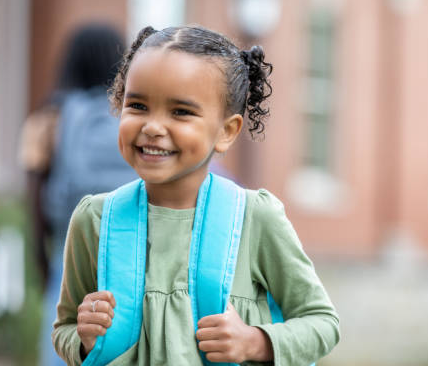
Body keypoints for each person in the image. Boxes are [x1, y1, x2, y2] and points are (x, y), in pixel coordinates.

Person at [52, 25, 340, 365]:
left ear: (226, 131)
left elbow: (323, 323)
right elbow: (64, 329)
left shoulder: (254, 217)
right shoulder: (96, 219)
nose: (153, 127)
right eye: (138, 105)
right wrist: (84, 339)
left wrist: (253, 341)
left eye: (181, 112)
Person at [19, 23, 137, 366]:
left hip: (67, 247)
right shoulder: (134, 116)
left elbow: (36, 195)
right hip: (128, 248)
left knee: (65, 340)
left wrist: (41, 262)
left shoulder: (49, 117)